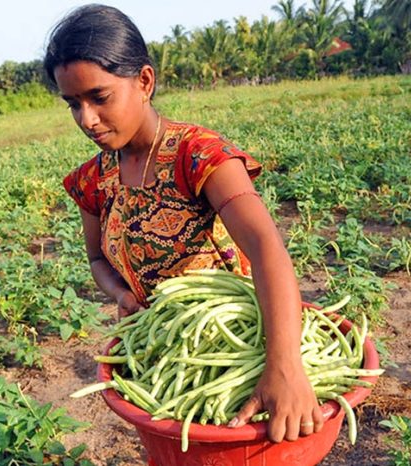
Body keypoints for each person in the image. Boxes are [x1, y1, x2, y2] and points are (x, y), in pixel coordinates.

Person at [44, 4, 322, 444]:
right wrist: (121, 294)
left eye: (99, 97)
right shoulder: (93, 180)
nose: (86, 119)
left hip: (248, 343)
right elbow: (97, 258)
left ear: (145, 82)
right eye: (72, 104)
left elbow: (267, 248)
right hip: (169, 356)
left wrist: (284, 368)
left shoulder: (199, 155)